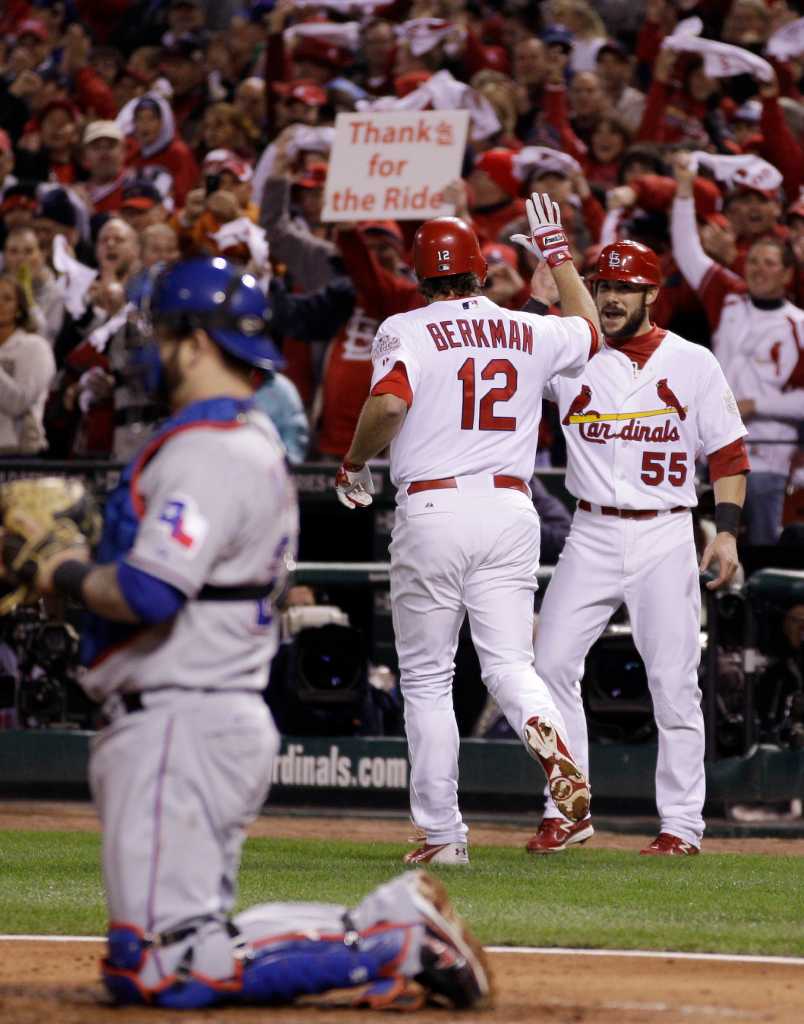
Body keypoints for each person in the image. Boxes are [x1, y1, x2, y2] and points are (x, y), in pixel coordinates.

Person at [1, 256, 489, 1013]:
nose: (150, 349)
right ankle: (390, 929)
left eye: (162, 333)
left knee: (167, 970)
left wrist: (60, 571)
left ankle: (396, 939)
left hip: (183, 718)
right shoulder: (243, 437)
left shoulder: (211, 451)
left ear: (197, 342)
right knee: (158, 951)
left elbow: (149, 590)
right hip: (194, 711)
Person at [335, 200, 600, 864]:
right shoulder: (526, 329)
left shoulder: (407, 327)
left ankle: (443, 835)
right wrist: (556, 252)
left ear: (421, 276)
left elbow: (391, 402)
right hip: (511, 510)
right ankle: (559, 756)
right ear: (481, 272)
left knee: (426, 680)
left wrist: (354, 458)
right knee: (510, 664)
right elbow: (591, 330)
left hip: (433, 509)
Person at [529, 239, 750, 856]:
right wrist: (538, 295)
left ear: (652, 294)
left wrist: (727, 530)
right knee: (547, 667)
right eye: (604, 286)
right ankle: (566, 808)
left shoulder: (693, 362)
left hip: (664, 531)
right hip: (591, 529)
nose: (612, 297)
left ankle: (681, 824)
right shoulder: (574, 354)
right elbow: (511, 357)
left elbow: (730, 454)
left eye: (626, 288)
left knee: (674, 683)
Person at [670, 156, 804, 545]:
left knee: (760, 548)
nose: (759, 269)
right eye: (755, 262)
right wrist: (683, 192)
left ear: (787, 273)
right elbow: (688, 251)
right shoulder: (728, 298)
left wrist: (754, 405)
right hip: (708, 449)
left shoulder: (799, 324)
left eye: (770, 263)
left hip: (769, 456)